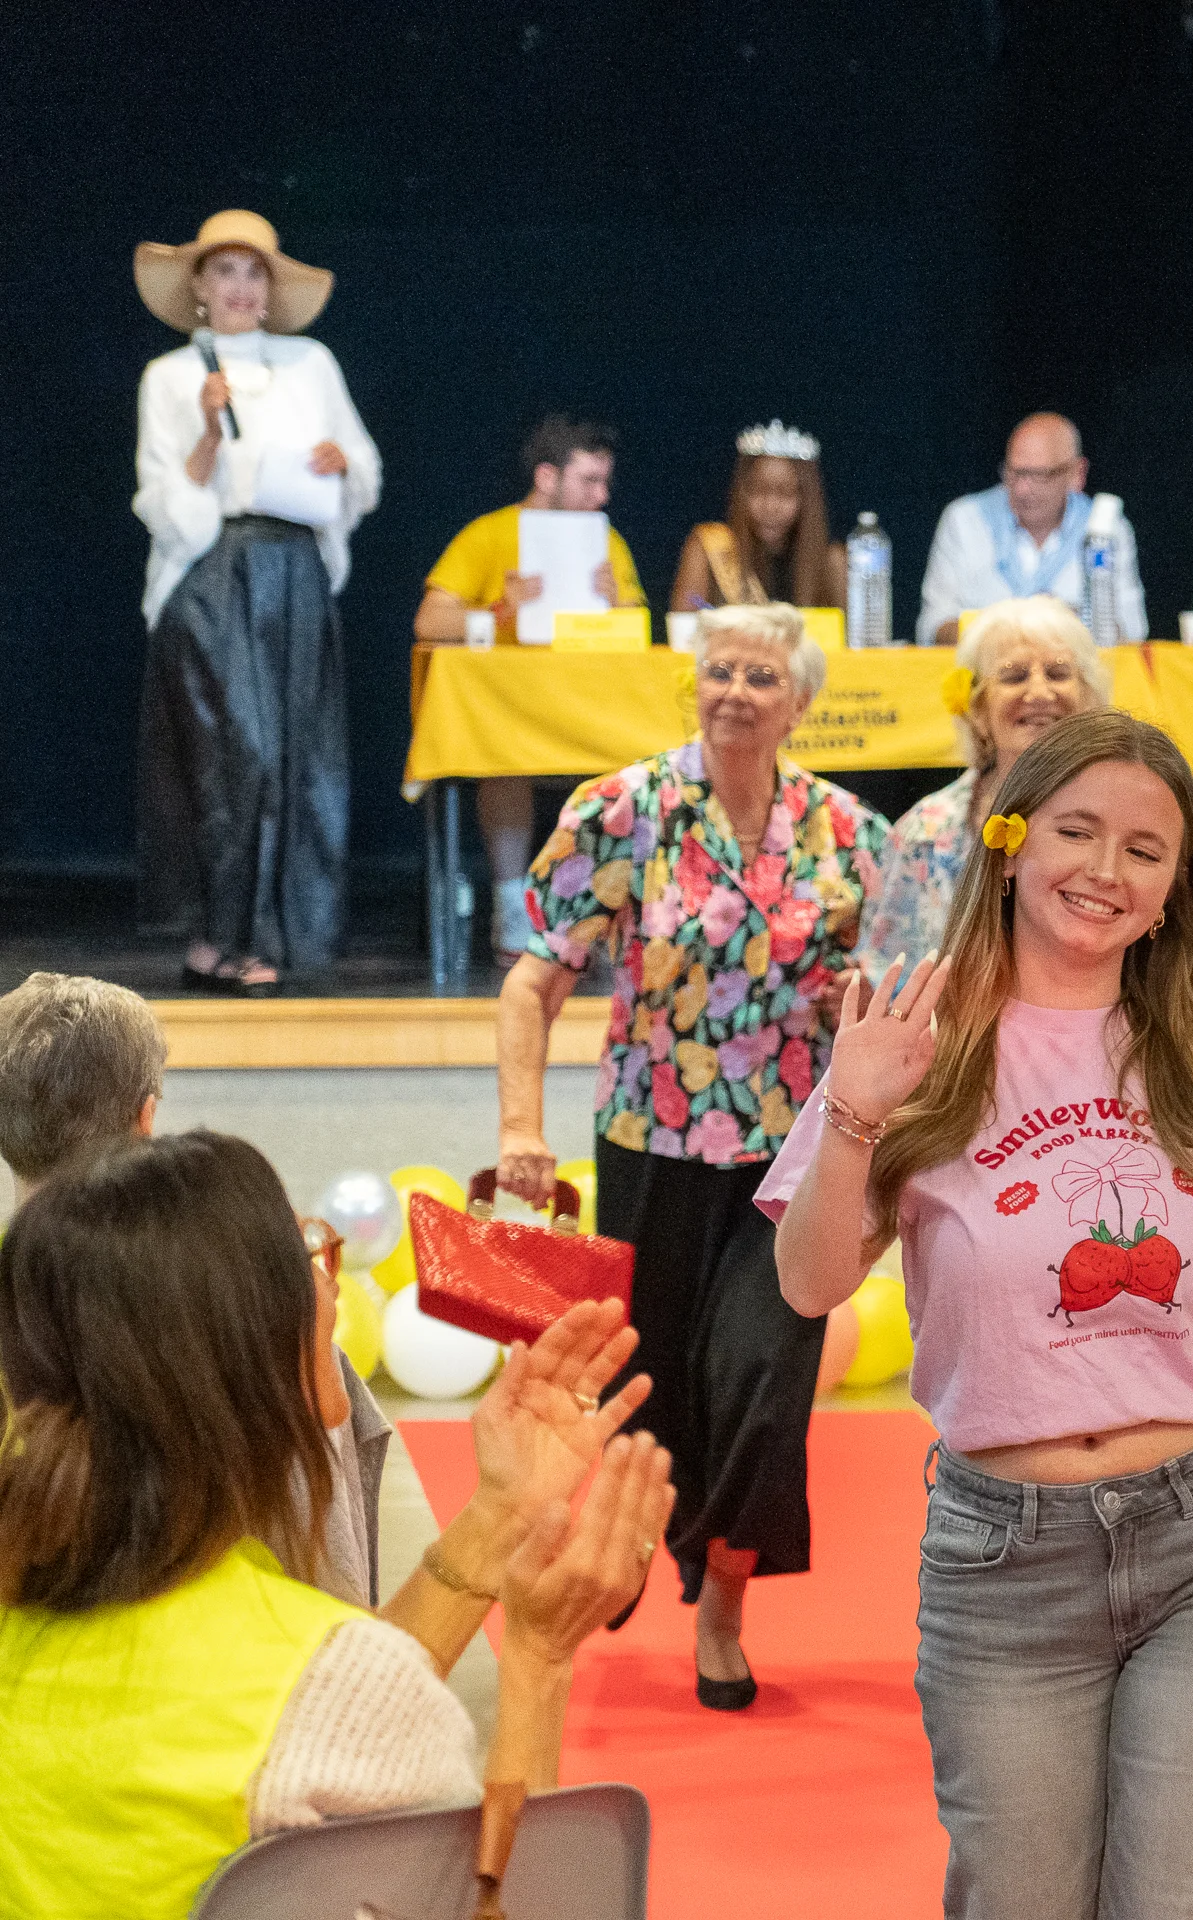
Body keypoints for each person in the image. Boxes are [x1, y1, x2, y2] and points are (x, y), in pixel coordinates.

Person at [762, 709, 1193, 1920]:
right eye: (1077, 832)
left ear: (1173, 895)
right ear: (1008, 842)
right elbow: (809, 1283)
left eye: (1145, 852)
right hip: (1005, 1562)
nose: (1105, 871)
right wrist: (851, 1113)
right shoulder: (914, 1046)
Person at [0, 1132, 674, 1920]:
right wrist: (540, 1660)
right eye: (306, 1253)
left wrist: (502, 1516)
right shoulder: (327, 1685)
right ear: (249, 1350)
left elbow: (324, 1703)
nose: (331, 1278)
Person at [0, 971, 655, 1658]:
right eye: (313, 1268)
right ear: (145, 1115)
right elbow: (343, 1648)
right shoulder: (242, 1327)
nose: (326, 1286)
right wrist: (536, 1654)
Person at [495, 602, 887, 1711]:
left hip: (792, 1165)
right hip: (650, 1148)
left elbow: (898, 994)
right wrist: (520, 1126)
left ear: (800, 702)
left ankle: (723, 1599)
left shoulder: (851, 834)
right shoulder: (623, 810)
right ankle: (625, 1549)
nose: (735, 693)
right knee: (652, 1385)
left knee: (765, 1385)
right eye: (718, 671)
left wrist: (859, 1016)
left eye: (761, 677)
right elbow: (534, 982)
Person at [133, 210, 380, 995]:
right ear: (200, 289)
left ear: (270, 291)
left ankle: (280, 935)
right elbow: (168, 503)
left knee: (297, 760)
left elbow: (362, 469)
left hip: (296, 570)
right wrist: (208, 431)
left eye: (253, 273)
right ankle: (216, 937)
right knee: (231, 758)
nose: (239, 288)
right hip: (215, 574)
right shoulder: (172, 376)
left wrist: (342, 465)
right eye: (224, 272)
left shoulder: (312, 363)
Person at [855, 596, 1193, 1015]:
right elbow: (885, 985)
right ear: (976, 708)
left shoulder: (1149, 818)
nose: (1039, 692)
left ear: (1089, 699)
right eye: (1013, 676)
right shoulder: (923, 833)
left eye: (1058, 673)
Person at [413, 415, 651, 959]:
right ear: (547, 476)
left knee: (637, 762)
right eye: (589, 481)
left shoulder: (606, 540)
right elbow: (430, 622)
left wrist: (617, 603)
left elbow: (640, 629)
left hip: (591, 706)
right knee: (504, 756)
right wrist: (499, 611)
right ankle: (510, 907)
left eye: (605, 482)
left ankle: (608, 913)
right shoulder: (491, 533)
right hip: (513, 707)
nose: (602, 495)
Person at [917, 412, 1146, 647]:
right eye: (1014, 473)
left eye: (1039, 475)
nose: (1022, 490)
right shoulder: (964, 520)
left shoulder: (1105, 531)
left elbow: (1132, 628)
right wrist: (1005, 629)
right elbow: (932, 625)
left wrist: (1066, 622)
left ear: (1077, 474)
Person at [671, 420, 847, 610]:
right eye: (758, 491)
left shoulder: (832, 563)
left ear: (807, 500)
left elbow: (861, 639)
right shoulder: (709, 549)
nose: (771, 507)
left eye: (785, 494)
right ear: (741, 492)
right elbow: (683, 627)